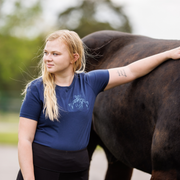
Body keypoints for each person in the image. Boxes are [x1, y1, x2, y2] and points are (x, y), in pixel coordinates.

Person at [16, 29, 180, 180]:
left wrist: (166, 55)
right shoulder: (36, 89)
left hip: (76, 170)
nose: (48, 58)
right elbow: (25, 139)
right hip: (43, 169)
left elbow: (131, 71)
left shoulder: (90, 82)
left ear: (74, 57)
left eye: (55, 54)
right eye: (46, 53)